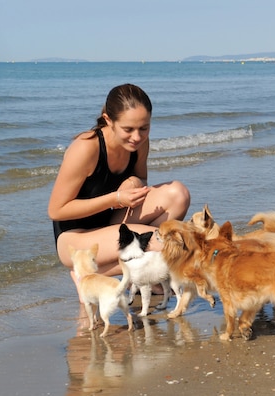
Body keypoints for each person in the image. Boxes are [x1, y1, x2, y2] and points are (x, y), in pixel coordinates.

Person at [48, 84, 190, 300]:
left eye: (144, 128)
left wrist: (133, 181)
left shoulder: (139, 143)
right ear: (108, 120)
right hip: (75, 237)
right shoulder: (86, 148)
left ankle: (141, 273)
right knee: (165, 246)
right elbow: (56, 211)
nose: (136, 137)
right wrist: (115, 198)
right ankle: (85, 272)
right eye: (128, 129)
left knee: (178, 195)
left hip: (112, 221)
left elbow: (141, 178)